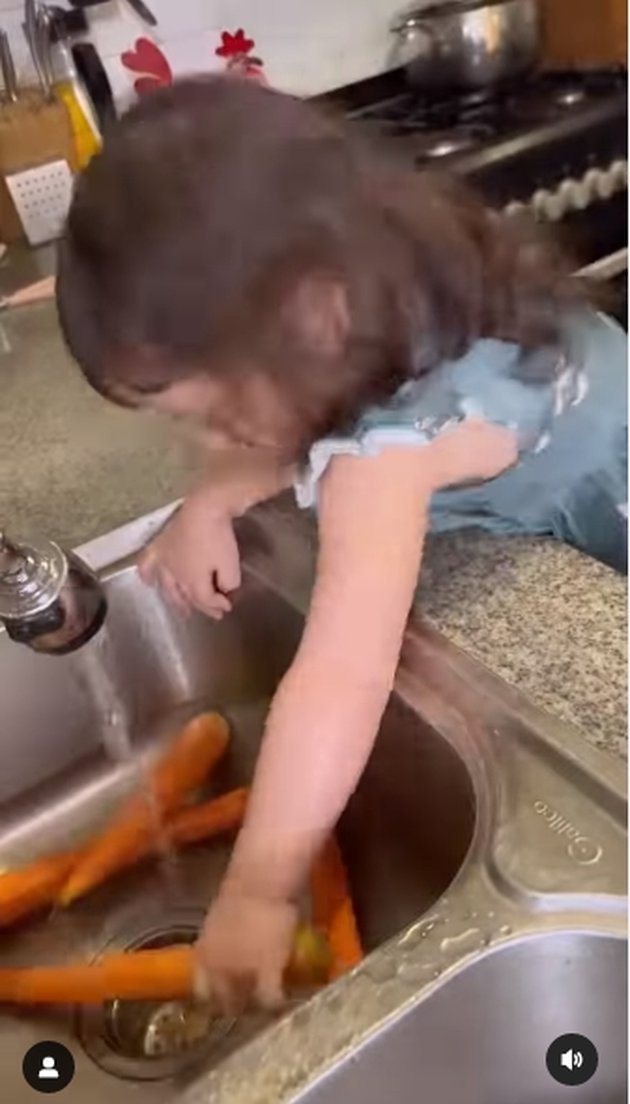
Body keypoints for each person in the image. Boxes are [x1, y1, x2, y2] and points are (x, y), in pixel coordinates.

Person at [56, 76, 627, 1011]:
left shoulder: (383, 466)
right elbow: (312, 416)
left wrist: (258, 886)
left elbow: (342, 677)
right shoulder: (380, 268)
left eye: (210, 415)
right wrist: (214, 497)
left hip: (600, 505)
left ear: (312, 318)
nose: (206, 444)